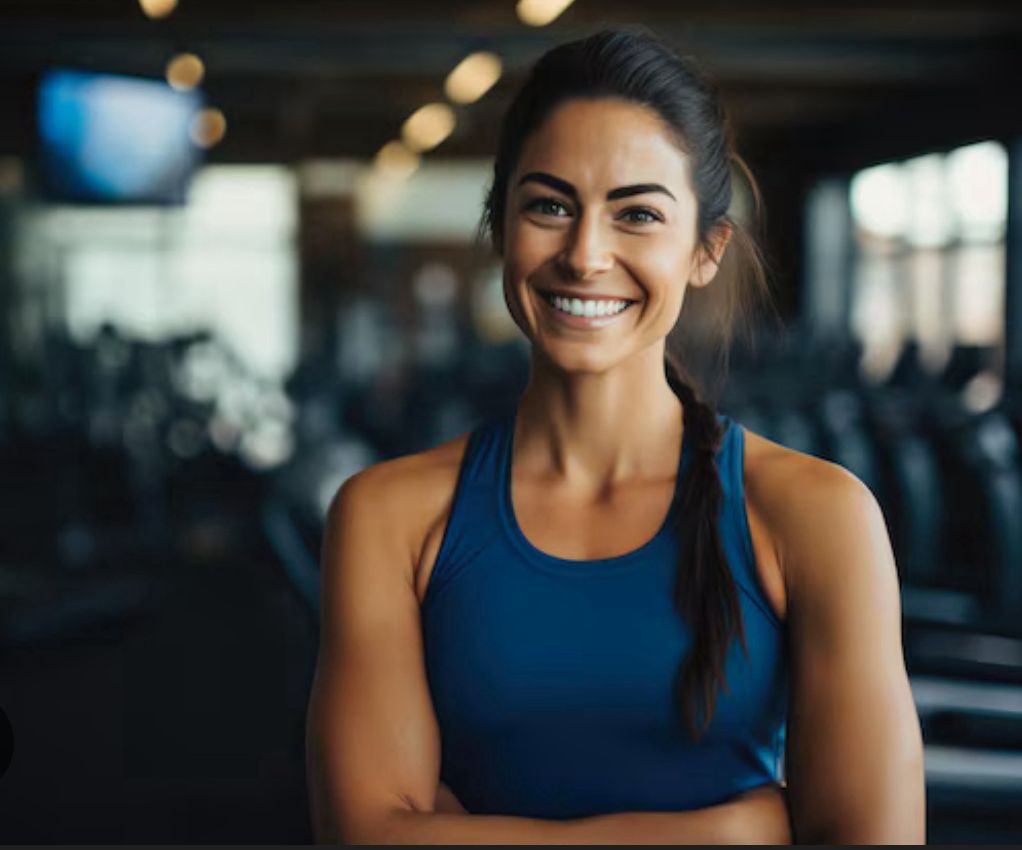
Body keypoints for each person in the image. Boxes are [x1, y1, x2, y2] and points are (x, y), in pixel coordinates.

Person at [306, 27, 925, 844]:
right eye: (550, 206)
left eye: (636, 214)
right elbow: (364, 836)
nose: (586, 253)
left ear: (706, 251)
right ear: (502, 226)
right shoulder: (387, 516)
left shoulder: (818, 517)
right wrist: (733, 835)